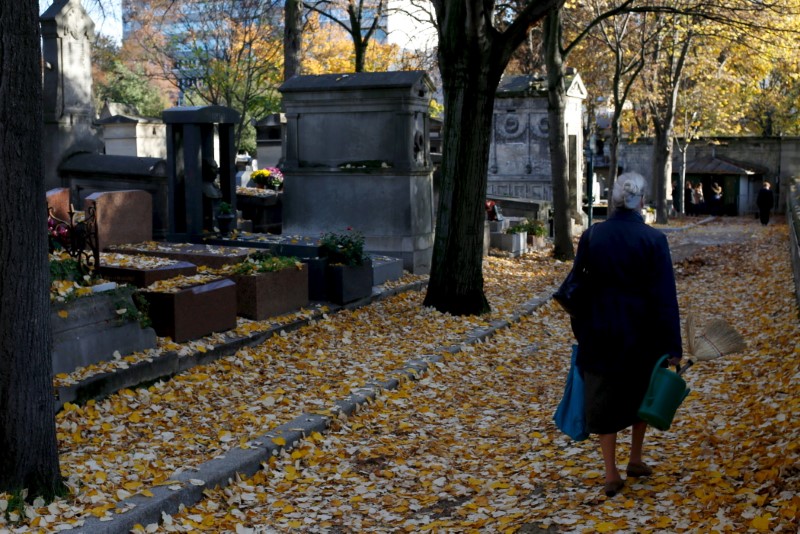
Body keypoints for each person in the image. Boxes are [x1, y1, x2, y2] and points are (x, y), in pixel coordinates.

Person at [570, 172, 682, 497]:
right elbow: (665, 296)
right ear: (642, 201)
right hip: (643, 334)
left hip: (599, 331)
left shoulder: (592, 236)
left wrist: (581, 329)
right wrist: (673, 345)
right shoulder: (654, 240)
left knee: (603, 398)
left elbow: (577, 287)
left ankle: (611, 472)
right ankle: (635, 457)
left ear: (614, 199)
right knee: (641, 394)